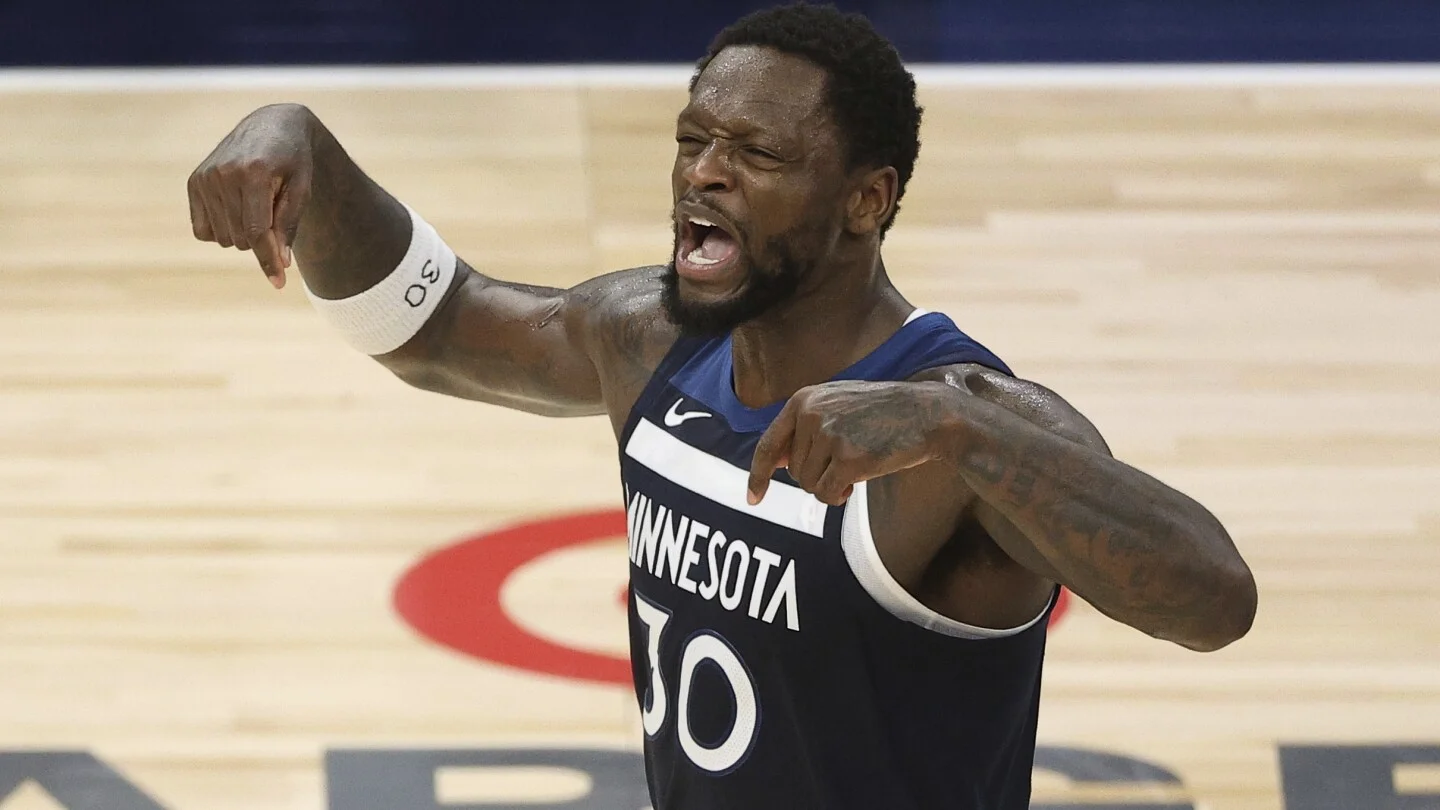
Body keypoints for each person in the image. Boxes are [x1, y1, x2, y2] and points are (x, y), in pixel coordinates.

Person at [186, 4, 1257, 808]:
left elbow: (1214, 601)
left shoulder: (960, 414)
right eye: (694, 141)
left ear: (867, 200)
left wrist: (960, 434)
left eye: (757, 154)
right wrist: (305, 151)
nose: (704, 175)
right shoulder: (650, 337)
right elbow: (434, 327)